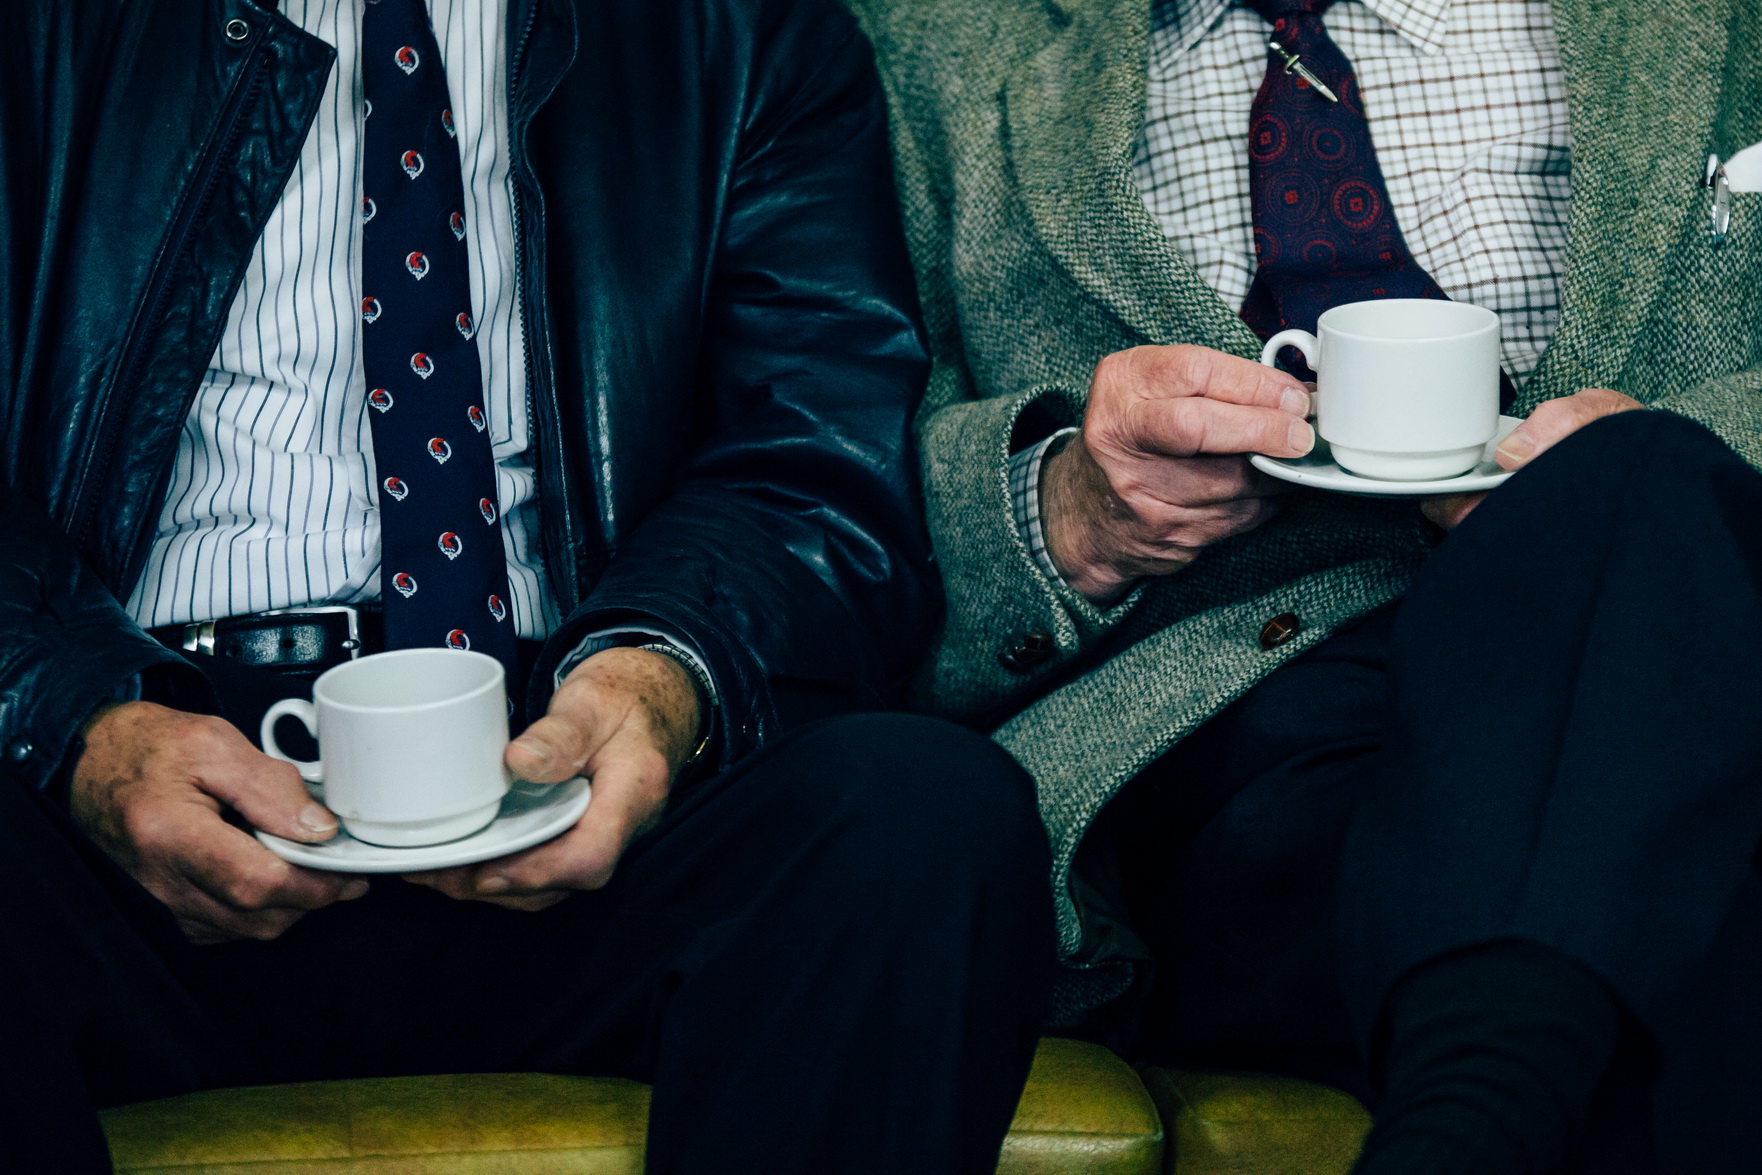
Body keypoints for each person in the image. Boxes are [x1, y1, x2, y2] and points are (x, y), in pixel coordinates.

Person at [0, 1, 1056, 1171]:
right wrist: (81, 724)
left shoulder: (746, 31)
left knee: (923, 811)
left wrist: (658, 673)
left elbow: (816, 450)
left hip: (564, 755)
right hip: (131, 777)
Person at [848, 0, 1762, 1169]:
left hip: (1685, 667)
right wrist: (1068, 505)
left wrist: (1668, 464)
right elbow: (820, 471)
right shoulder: (925, 41)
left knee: (1638, 478)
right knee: (1683, 910)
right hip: (1252, 742)